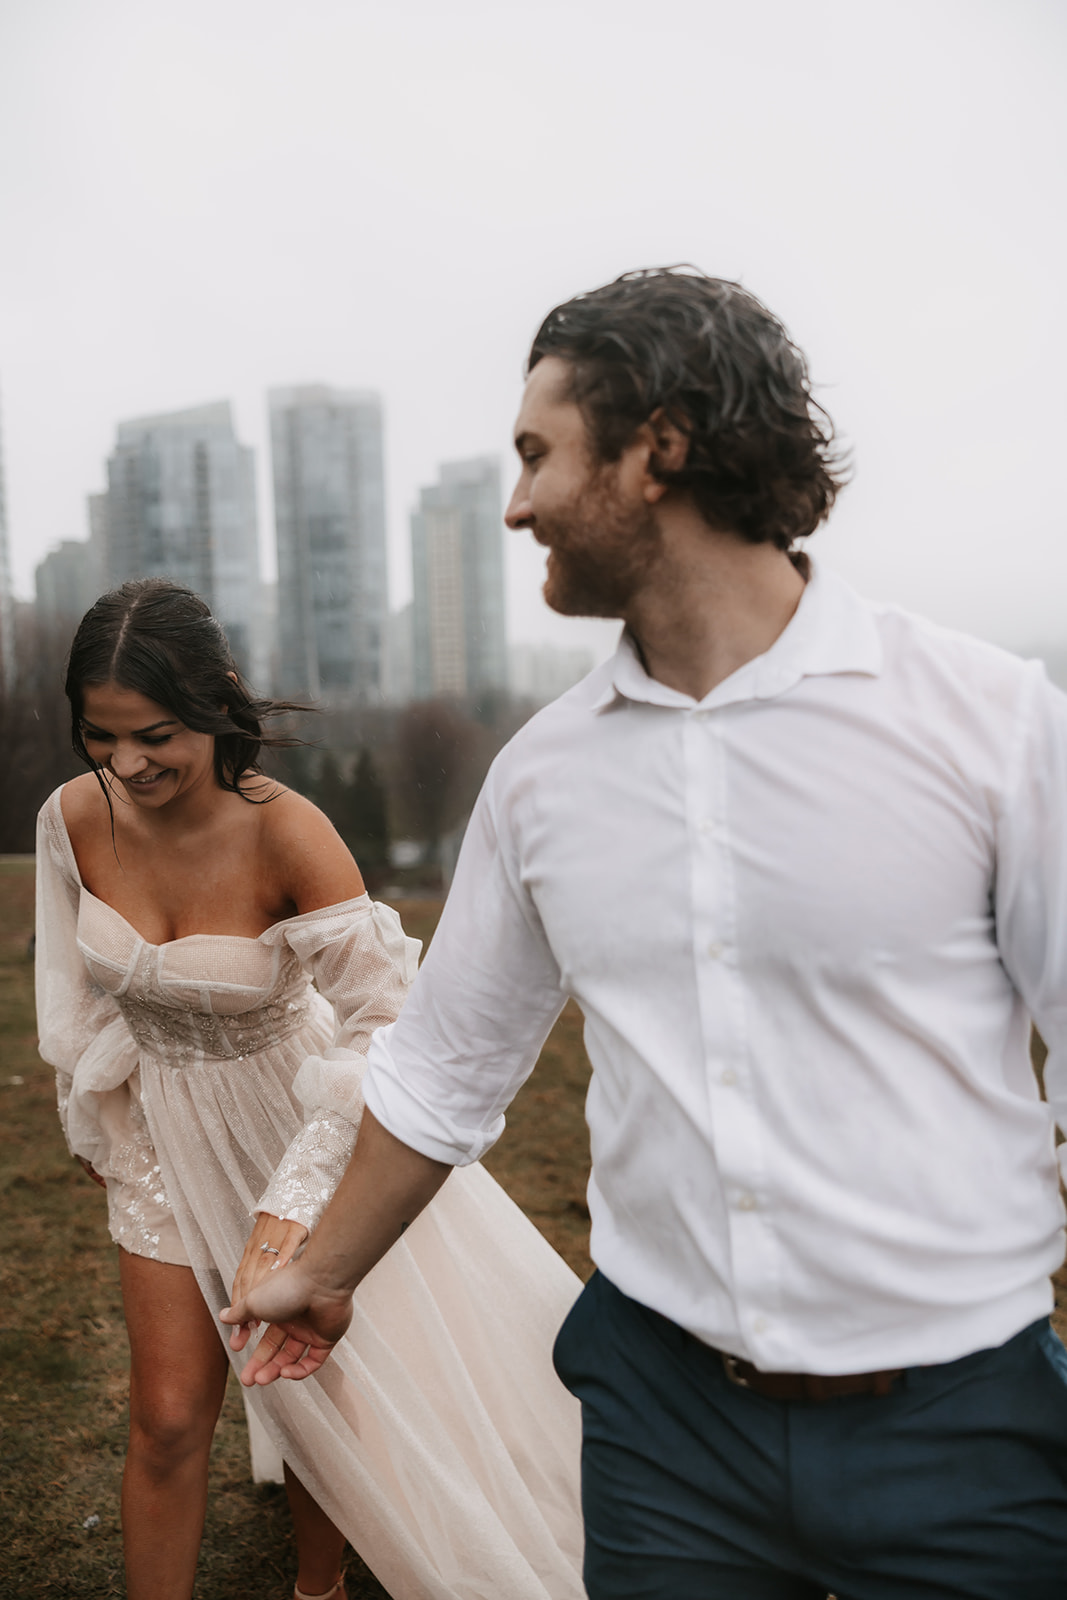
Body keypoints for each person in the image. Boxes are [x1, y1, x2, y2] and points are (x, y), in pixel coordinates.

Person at [226, 268, 1067, 1600]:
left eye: (535, 454)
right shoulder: (542, 778)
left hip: (963, 1432)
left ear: (655, 448)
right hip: (661, 1437)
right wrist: (321, 1277)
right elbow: (443, 1077)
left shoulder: (986, 723)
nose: (512, 503)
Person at [35, 578, 585, 1600]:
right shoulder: (70, 818)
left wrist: (296, 1203)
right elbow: (73, 996)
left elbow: (390, 1023)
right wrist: (102, 1120)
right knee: (163, 1414)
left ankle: (317, 1588)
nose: (126, 764)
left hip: (299, 1127)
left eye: (153, 733)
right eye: (99, 737)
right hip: (162, 1136)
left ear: (216, 699)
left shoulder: (289, 832)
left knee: (314, 1401)